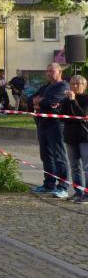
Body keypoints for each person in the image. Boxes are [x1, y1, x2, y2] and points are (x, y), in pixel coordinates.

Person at [29, 63, 70, 198]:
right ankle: (49, 184)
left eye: (52, 71)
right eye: (47, 71)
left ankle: (63, 186)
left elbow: (50, 102)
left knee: (59, 156)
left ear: (60, 72)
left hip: (55, 125)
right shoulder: (46, 87)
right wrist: (38, 101)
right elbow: (30, 100)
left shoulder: (63, 86)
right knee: (46, 156)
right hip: (42, 124)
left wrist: (40, 102)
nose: (48, 73)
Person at [63, 75, 88, 203]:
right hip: (70, 137)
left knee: (86, 167)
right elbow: (62, 116)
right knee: (74, 167)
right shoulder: (66, 100)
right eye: (72, 84)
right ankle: (78, 192)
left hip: (84, 137)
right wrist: (68, 101)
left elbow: (82, 115)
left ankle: (87, 194)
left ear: (85, 86)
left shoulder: (86, 99)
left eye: (78, 84)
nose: (75, 86)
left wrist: (73, 101)